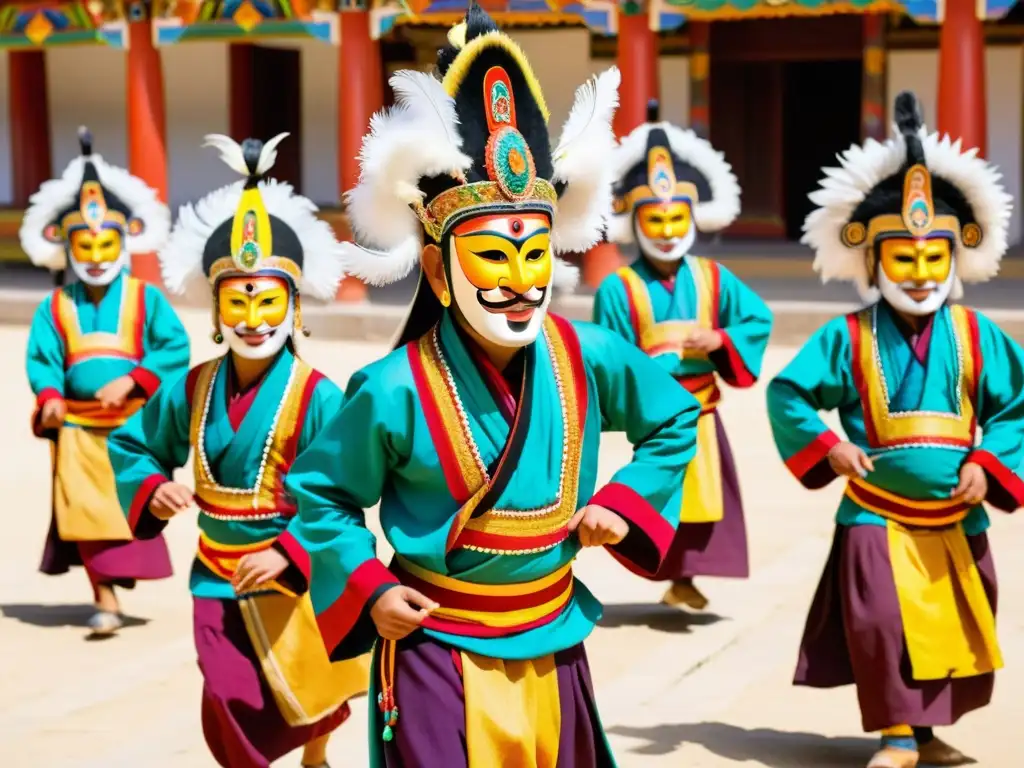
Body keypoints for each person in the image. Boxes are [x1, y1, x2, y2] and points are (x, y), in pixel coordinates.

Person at [281, 5, 700, 766]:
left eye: (533, 254)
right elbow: (322, 494)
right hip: (435, 638)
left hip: (552, 635)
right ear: (439, 271)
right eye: (492, 258)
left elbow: (673, 419)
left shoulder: (590, 352)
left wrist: (623, 502)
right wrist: (370, 586)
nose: (519, 282)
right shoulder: (391, 387)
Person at [767, 92, 1024, 768]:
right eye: (903, 260)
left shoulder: (978, 335)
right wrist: (831, 445)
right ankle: (896, 735)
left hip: (954, 516)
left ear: (953, 260)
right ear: (874, 263)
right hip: (876, 514)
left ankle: (929, 731)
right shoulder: (846, 335)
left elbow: (1016, 408)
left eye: (933, 259)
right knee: (881, 622)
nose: (920, 273)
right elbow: (788, 392)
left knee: (947, 625)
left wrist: (989, 462)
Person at [107, 134, 365, 768]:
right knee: (229, 697)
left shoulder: (318, 398)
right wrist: (154, 487)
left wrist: (292, 551)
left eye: (268, 300)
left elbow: (345, 493)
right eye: (238, 301)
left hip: (292, 576)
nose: (253, 317)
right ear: (216, 310)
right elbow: (132, 443)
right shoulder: (193, 387)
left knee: (307, 689)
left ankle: (317, 754)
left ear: (294, 307)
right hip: (217, 574)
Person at [594, 101, 771, 610]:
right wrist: (647, 368)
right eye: (656, 218)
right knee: (660, 498)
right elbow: (609, 358)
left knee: (704, 505)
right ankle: (665, 573)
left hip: (704, 412)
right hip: (656, 416)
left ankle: (687, 579)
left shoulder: (715, 278)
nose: (668, 229)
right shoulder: (618, 289)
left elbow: (755, 319)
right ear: (637, 221)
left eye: (677, 217)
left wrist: (721, 342)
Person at [22, 127, 188, 636]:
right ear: (68, 246)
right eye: (85, 243)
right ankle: (105, 598)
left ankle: (119, 581)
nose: (96, 252)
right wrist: (49, 395)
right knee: (86, 514)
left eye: (106, 242)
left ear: (123, 241)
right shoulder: (55, 305)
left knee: (128, 507)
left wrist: (135, 380)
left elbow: (174, 348)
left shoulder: (146, 298)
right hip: (76, 427)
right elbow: (43, 358)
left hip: (132, 429)